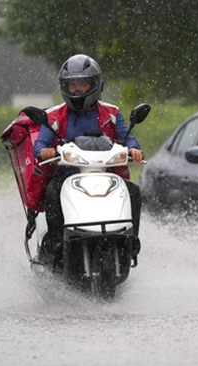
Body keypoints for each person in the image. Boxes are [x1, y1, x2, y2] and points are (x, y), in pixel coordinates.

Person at [33, 54, 144, 261]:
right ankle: (58, 245)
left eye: (82, 84)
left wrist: (134, 150)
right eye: (72, 84)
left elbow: (127, 138)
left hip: (105, 173)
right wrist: (43, 151)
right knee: (52, 190)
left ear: (95, 84)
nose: (77, 90)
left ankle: (130, 243)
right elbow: (40, 144)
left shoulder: (112, 112)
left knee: (133, 191)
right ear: (64, 87)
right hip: (67, 175)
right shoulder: (55, 115)